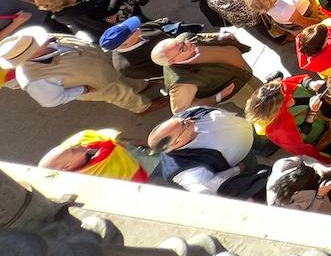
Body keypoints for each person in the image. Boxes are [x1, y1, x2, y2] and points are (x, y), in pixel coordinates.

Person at [0, 28, 153, 113]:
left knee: (126, 76)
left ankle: (140, 86)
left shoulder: (49, 39)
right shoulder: (33, 78)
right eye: (36, 43)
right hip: (99, 85)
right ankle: (143, 107)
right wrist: (82, 90)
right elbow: (50, 100)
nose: (44, 38)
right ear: (30, 54)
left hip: (106, 63)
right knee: (121, 95)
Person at [147, 106, 265, 198]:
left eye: (181, 120)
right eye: (184, 124)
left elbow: (207, 110)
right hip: (244, 160)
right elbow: (208, 188)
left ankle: (263, 145)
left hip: (248, 132)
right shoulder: (184, 171)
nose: (188, 119)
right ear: (177, 143)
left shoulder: (184, 117)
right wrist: (238, 169)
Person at [150, 30, 259, 113]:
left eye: (181, 42)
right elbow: (180, 110)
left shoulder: (184, 38)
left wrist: (220, 36)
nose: (188, 43)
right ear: (172, 61)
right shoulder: (181, 82)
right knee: (260, 106)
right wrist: (216, 97)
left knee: (263, 88)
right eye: (182, 49)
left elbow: (200, 37)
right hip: (240, 89)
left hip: (244, 72)